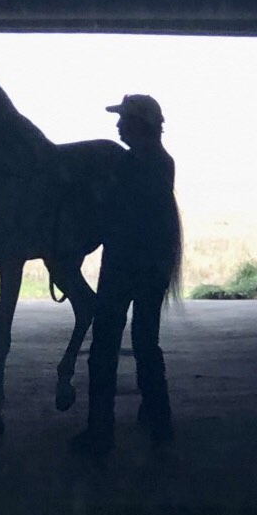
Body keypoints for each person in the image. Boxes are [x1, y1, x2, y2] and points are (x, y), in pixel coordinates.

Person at [71, 94, 182, 457]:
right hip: (153, 267)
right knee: (146, 343)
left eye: (124, 120)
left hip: (122, 267)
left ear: (140, 124)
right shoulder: (163, 163)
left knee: (103, 349)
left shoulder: (128, 166)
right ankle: (159, 422)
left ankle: (100, 433)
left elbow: (109, 209)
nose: (118, 125)